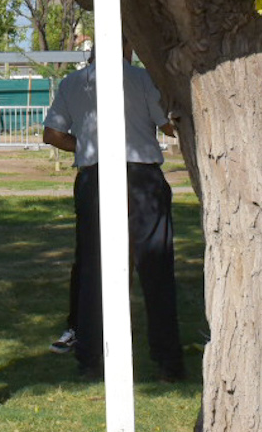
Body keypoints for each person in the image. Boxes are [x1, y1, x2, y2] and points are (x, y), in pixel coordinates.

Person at [41, 54, 185, 381]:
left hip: (95, 175)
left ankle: (90, 360)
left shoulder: (72, 82)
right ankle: (167, 361)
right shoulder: (141, 77)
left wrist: (89, 145)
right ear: (127, 44)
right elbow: (167, 125)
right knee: (156, 268)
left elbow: (52, 134)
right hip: (142, 174)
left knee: (94, 268)